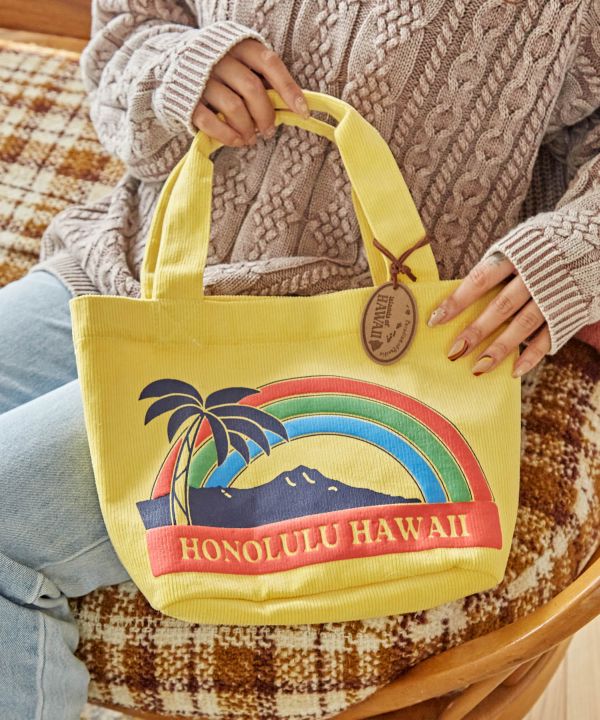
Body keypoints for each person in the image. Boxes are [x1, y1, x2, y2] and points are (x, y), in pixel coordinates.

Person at [1, 1, 599, 718]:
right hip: (130, 270)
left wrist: (573, 251)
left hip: (366, 346)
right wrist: (179, 73)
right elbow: (125, 33)